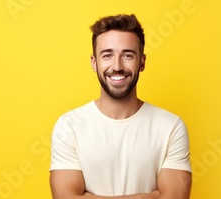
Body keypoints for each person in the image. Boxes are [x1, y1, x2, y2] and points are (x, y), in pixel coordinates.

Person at [49, 14, 192, 199]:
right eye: (107, 55)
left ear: (142, 62)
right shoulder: (68, 127)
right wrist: (146, 197)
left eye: (127, 55)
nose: (117, 66)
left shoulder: (171, 127)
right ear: (94, 62)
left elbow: (176, 197)